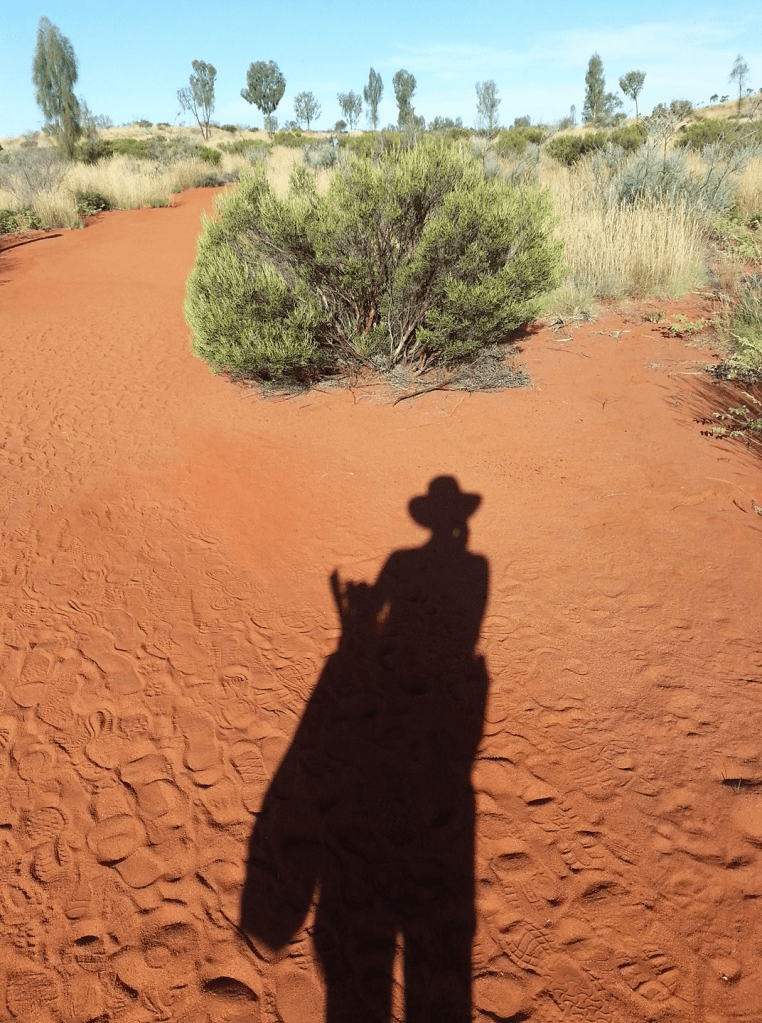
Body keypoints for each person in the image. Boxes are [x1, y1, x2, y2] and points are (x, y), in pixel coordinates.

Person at [242, 476, 489, 1022]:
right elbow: (458, 630)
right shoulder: (475, 568)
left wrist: (360, 623)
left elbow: (380, 620)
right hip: (441, 710)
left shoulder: (406, 562)